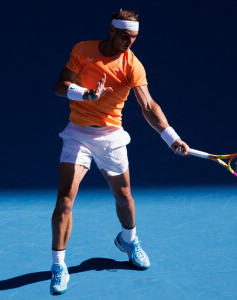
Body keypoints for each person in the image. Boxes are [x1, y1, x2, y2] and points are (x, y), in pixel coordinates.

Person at [50, 10, 189, 295]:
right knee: (64, 200)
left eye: (134, 37)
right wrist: (87, 94)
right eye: (125, 36)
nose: (129, 42)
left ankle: (128, 240)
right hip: (77, 133)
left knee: (124, 197)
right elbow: (60, 87)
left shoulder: (132, 66)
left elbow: (148, 107)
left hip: (111, 136)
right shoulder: (82, 49)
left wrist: (170, 137)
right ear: (111, 30)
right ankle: (58, 264)